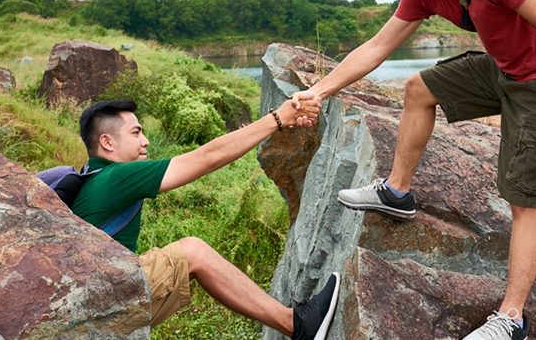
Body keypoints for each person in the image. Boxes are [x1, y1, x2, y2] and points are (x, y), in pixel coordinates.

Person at [291, 0, 536, 340]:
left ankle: (511, 319)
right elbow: (377, 47)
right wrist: (317, 91)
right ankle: (397, 192)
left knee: (522, 199)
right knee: (419, 89)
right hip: (505, 71)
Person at [72, 97, 339, 340]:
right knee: (192, 253)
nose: (146, 141)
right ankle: (298, 325)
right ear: (107, 142)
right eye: (136, 133)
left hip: (91, 302)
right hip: (100, 306)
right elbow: (208, 157)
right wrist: (277, 119)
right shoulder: (115, 178)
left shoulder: (90, 179)